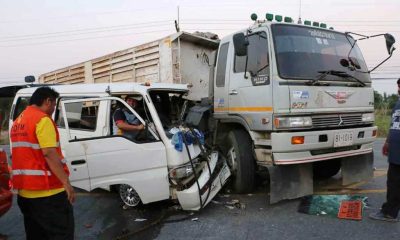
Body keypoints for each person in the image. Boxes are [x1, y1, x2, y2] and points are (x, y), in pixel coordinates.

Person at [10, 87, 75, 239]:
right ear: (47, 101)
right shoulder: (42, 120)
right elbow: (49, 153)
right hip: (48, 193)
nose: (54, 110)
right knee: (61, 235)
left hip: (25, 194)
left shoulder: (19, 121)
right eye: (54, 105)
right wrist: (66, 183)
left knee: (36, 236)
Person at [369, 78, 400, 222]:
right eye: (398, 87)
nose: (398, 90)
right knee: (393, 181)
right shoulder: (397, 104)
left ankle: (389, 213)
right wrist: (387, 142)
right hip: (395, 150)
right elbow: (393, 125)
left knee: (394, 182)